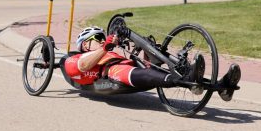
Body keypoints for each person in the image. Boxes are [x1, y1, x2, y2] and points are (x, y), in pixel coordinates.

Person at [64, 26, 206, 89]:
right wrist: (105, 47)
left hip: (131, 65)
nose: (103, 39)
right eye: (98, 37)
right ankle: (186, 81)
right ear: (85, 45)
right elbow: (83, 66)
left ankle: (220, 85)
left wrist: (146, 48)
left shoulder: (107, 51)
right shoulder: (74, 59)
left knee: (153, 55)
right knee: (141, 73)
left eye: (104, 37)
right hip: (111, 71)